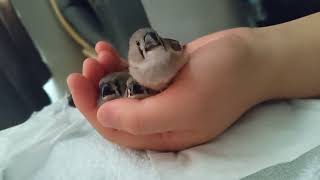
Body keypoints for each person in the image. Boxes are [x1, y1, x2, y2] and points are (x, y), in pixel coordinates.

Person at [67, 13, 320, 151]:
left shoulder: (176, 51)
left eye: (154, 41)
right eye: (144, 46)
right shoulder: (133, 71)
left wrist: (250, 61)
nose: (152, 45)